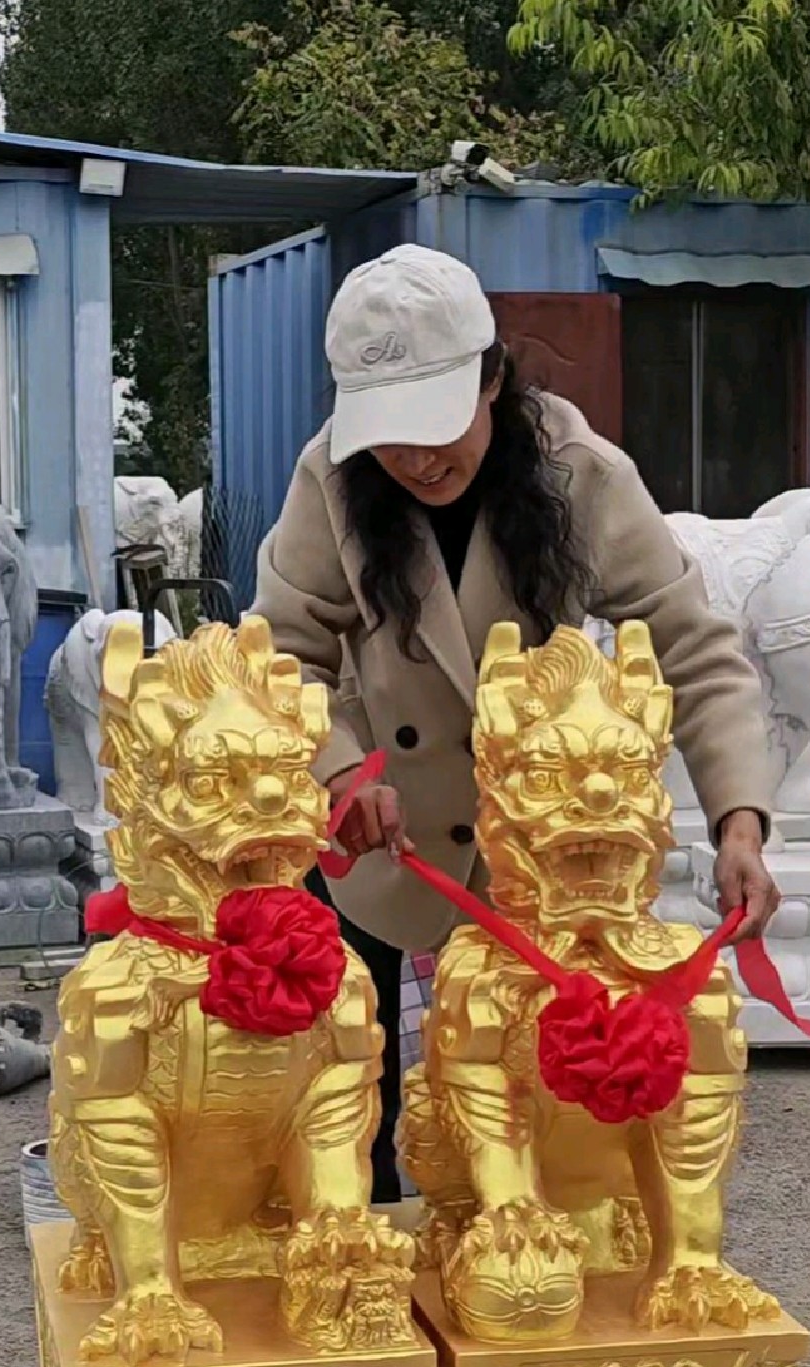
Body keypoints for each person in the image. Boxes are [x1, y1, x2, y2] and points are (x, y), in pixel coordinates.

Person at [252, 245, 781, 1198]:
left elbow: (695, 652)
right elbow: (284, 652)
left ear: (493, 377)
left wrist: (740, 818)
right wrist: (337, 770)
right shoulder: (330, 481)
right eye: (391, 435)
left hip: (531, 856)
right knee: (349, 1105)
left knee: (526, 1107)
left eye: (438, 424)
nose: (417, 457)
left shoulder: (583, 475)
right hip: (380, 849)